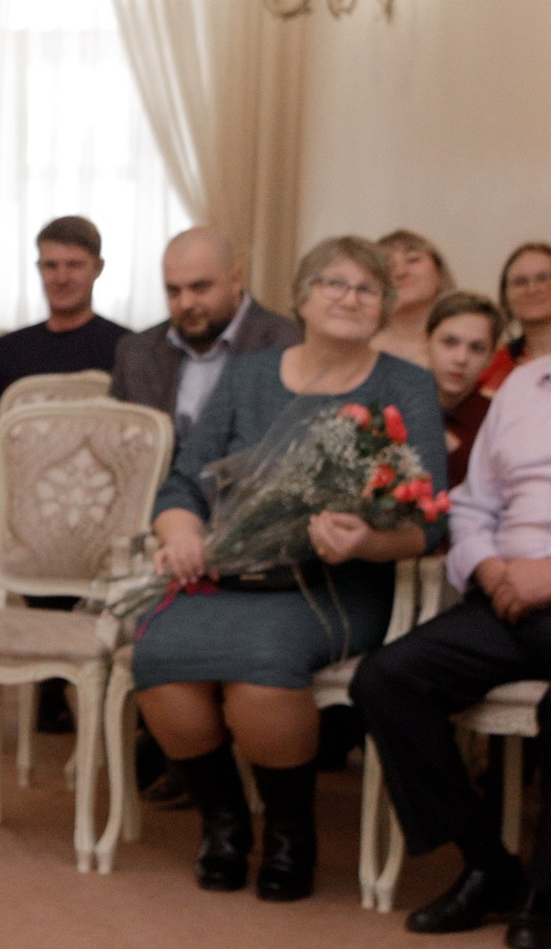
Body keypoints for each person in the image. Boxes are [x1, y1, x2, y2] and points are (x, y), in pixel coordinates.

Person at [132, 235, 449, 902]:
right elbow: (184, 482)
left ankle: (288, 833)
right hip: (226, 574)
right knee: (160, 656)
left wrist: (366, 541)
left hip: (334, 582)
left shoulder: (406, 384)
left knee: (262, 669)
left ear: (384, 306)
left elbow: (432, 523)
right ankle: (223, 825)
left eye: (367, 289)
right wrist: (182, 532)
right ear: (302, 298)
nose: (349, 298)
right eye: (334, 284)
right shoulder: (247, 375)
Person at [354, 348, 551, 949]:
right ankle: (488, 863)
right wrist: (489, 569)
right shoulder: (524, 385)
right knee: (388, 679)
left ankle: (548, 888)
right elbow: (472, 505)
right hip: (506, 591)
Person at [0, 215, 128, 485]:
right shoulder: (4, 352)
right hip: (8, 494)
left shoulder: (129, 350)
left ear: (98, 267)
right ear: (39, 268)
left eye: (74, 265)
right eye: (51, 266)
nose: (62, 278)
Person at [111, 226, 301, 436]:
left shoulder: (286, 346)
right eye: (173, 291)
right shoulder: (136, 352)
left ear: (236, 280)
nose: (185, 303)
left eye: (200, 288)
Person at [428, 289, 504, 486]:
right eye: (450, 343)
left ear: (491, 357)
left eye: (476, 348)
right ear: (426, 342)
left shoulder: (499, 420)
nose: (461, 359)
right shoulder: (395, 407)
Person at [474, 240, 551, 407]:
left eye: (543, 278)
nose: (532, 289)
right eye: (520, 282)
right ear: (505, 297)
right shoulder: (493, 365)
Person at [373, 228, 454, 365]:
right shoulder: (357, 348)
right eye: (388, 265)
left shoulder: (473, 342)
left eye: (413, 259)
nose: (400, 272)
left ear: (439, 271)